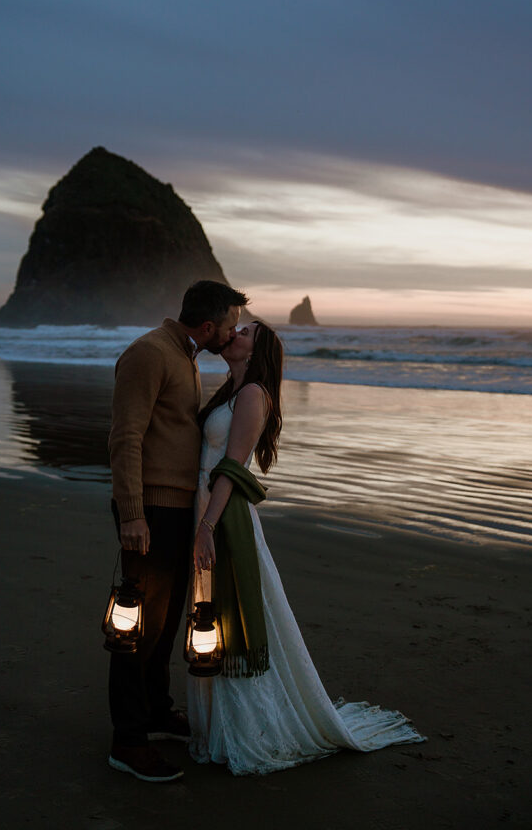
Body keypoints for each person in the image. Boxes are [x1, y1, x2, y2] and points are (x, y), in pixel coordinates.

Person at [189, 320, 426, 775]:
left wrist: (205, 526)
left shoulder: (254, 394)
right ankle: (216, 726)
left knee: (230, 615)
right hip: (206, 511)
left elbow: (232, 471)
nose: (233, 334)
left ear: (255, 353)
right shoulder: (227, 391)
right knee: (210, 614)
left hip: (223, 516)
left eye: (244, 333)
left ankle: (249, 731)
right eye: (234, 327)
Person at [107, 280, 249, 783]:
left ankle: (155, 710)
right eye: (230, 325)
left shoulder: (183, 354)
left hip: (177, 509)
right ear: (209, 326)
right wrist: (131, 513)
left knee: (165, 625)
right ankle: (128, 741)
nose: (233, 333)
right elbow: (125, 437)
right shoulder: (149, 353)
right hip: (150, 509)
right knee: (136, 629)